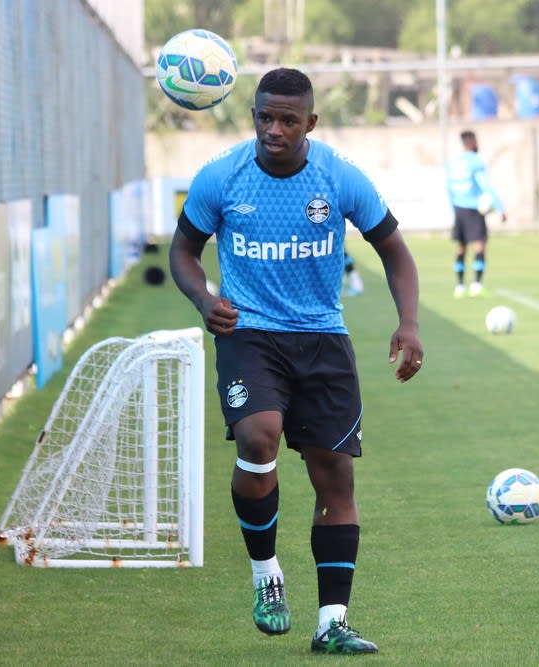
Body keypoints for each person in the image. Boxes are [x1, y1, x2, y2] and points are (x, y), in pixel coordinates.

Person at [168, 67, 423, 656]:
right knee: (258, 437)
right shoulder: (221, 177)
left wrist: (408, 322)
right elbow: (183, 249)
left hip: (322, 337)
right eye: (264, 116)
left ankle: (332, 621)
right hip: (249, 333)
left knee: (334, 476)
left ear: (311, 122)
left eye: (288, 119)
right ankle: (266, 577)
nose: (274, 129)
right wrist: (204, 299)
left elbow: (394, 250)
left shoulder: (338, 177)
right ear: (251, 116)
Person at [445, 129, 507, 298]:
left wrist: (454, 210)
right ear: (472, 142)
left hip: (459, 208)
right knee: (479, 245)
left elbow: (448, 189)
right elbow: (486, 186)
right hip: (473, 209)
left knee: (461, 247)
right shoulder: (475, 162)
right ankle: (477, 285)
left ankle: (459, 286)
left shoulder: (453, 163)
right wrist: (500, 208)